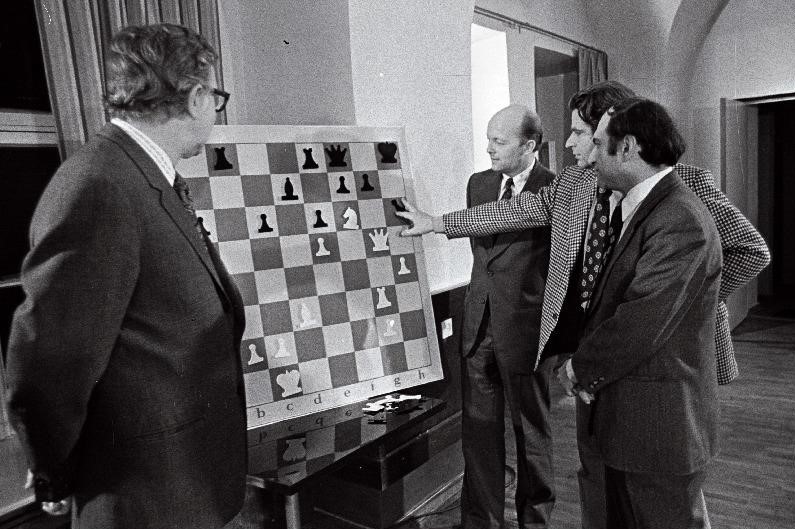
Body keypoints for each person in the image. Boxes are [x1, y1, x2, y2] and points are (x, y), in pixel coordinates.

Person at [396, 80, 770, 529]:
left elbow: (751, 250)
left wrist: (690, 302)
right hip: (594, 353)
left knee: (665, 489)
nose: (570, 142)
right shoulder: (575, 184)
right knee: (600, 473)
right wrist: (438, 223)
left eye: (580, 133)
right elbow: (513, 212)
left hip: (661, 362)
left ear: (615, 136)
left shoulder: (682, 186)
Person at [6, 23, 246, 529]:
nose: (216, 112)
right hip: (142, 494)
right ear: (198, 96)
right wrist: (52, 469)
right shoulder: (99, 184)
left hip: (181, 480)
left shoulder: (143, 174)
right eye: (217, 96)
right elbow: (49, 361)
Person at [558, 97, 722, 528]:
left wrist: (580, 369)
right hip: (635, 425)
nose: (590, 153)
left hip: (659, 431)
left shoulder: (678, 217)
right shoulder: (648, 206)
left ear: (627, 147)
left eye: (597, 142)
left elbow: (640, 320)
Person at [459, 105, 555, 529]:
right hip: (478, 329)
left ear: (528, 145)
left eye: (498, 142)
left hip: (525, 333)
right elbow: (484, 256)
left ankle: (534, 522)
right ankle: (482, 523)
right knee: (479, 436)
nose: (488, 149)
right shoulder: (478, 184)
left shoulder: (556, 189)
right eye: (488, 138)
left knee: (531, 437)